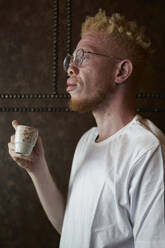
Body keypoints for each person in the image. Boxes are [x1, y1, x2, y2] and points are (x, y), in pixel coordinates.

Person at [8, 9, 165, 248]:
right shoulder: (87, 140)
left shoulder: (148, 149)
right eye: (71, 59)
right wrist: (37, 168)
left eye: (83, 56)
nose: (70, 68)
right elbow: (70, 228)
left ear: (121, 71)